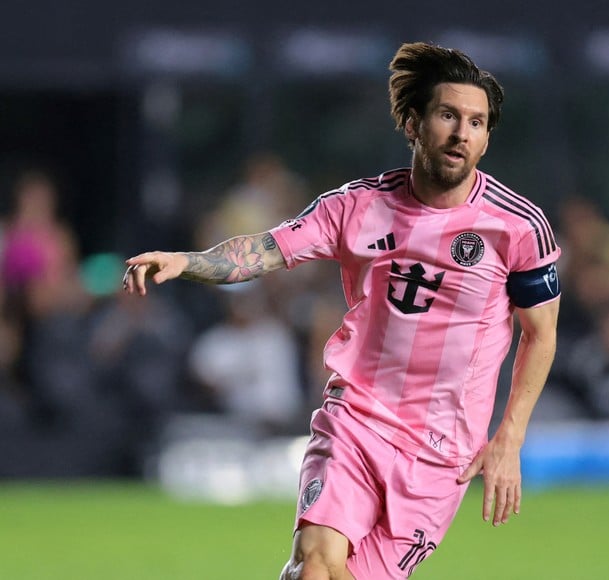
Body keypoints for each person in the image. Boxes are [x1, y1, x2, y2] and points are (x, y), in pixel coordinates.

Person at [123, 42, 561, 580]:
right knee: (316, 567)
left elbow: (540, 335)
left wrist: (509, 439)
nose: (461, 133)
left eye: (476, 122)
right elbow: (265, 250)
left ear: (488, 136)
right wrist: (187, 261)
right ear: (413, 122)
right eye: (447, 115)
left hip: (441, 454)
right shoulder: (357, 206)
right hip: (357, 417)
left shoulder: (518, 226)